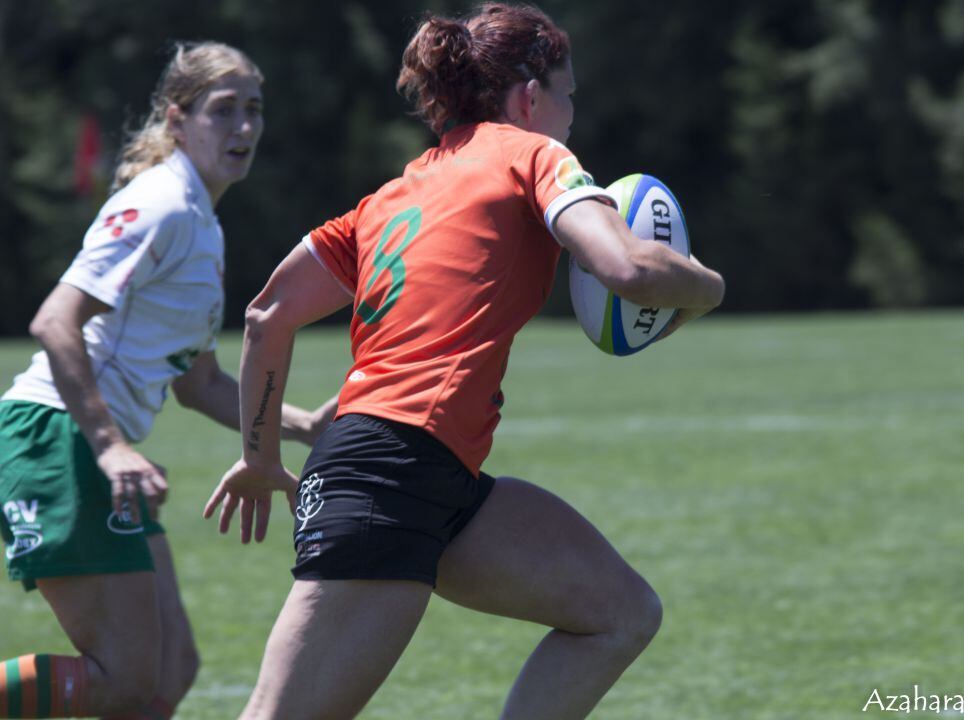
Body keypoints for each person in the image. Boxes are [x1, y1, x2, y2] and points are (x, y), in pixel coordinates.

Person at [204, 4, 725, 718]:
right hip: (390, 476)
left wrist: (262, 458)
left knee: (620, 612)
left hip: (435, 480)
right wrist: (706, 285)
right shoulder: (534, 153)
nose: (571, 116)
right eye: (568, 96)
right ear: (530, 96)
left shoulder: (391, 196)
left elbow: (267, 316)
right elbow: (628, 267)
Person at [0, 42, 335, 719]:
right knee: (124, 680)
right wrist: (111, 445)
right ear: (178, 121)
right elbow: (54, 321)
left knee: (168, 673)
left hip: (90, 447)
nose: (243, 129)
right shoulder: (163, 205)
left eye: (254, 111)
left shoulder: (202, 225)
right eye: (223, 111)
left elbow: (198, 382)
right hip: (57, 436)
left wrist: (301, 427)